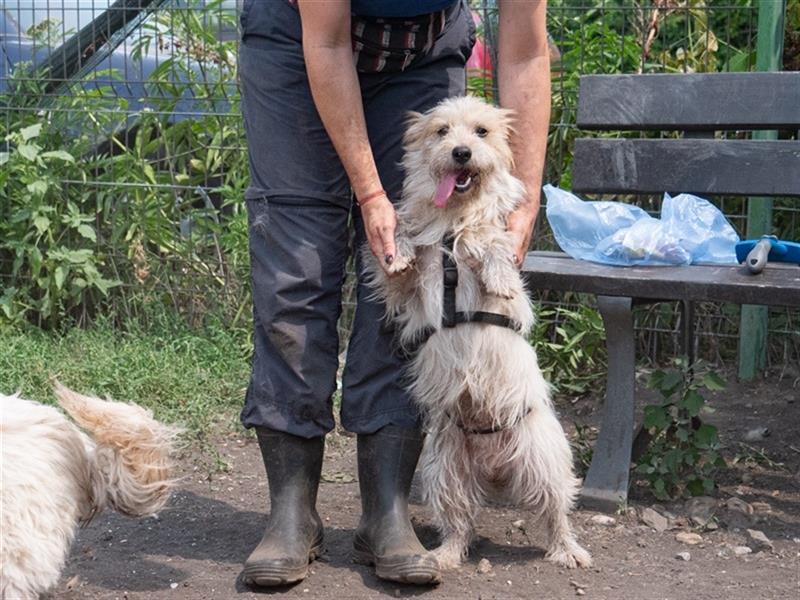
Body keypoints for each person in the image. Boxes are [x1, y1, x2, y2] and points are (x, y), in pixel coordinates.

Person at [237, 0, 550, 587]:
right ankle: (291, 513)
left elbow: (527, 49)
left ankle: (387, 510)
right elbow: (326, 43)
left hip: (421, 50)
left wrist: (525, 198)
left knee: (416, 269)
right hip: (302, 42)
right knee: (296, 265)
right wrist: (371, 195)